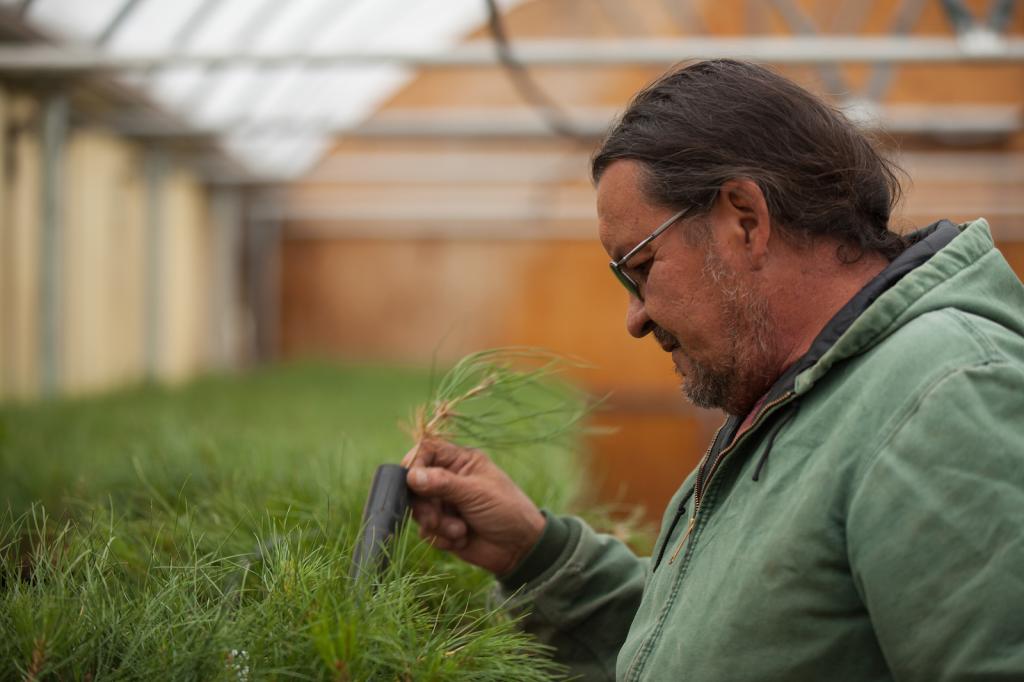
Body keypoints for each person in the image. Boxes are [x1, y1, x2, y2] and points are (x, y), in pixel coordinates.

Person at [402, 60, 1024, 681]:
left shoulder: (943, 396)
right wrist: (534, 553)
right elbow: (725, 646)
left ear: (745, 219)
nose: (635, 319)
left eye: (642, 267)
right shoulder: (793, 397)